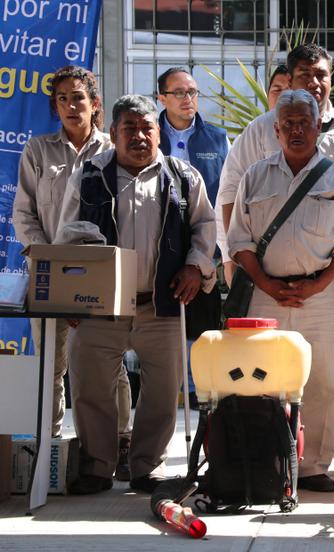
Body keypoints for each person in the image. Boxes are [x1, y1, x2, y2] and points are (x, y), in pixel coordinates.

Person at [218, 43, 334, 477]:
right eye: (305, 74)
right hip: (266, 282)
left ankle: (328, 458)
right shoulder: (257, 137)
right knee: (265, 374)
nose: (314, 81)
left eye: (322, 74)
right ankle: (268, 458)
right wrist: (244, 272)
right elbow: (231, 204)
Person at [57, 95, 217, 495]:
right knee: (91, 389)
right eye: (130, 128)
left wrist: (196, 266)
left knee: (162, 392)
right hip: (100, 306)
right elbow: (67, 235)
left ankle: (147, 466)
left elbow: (205, 228)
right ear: (113, 134)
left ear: (158, 132)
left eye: (147, 128)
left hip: (161, 303)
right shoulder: (88, 176)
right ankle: (97, 465)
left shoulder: (182, 176)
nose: (140, 136)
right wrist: (68, 296)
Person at [13, 66, 133, 475]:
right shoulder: (38, 150)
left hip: (100, 277)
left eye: (78, 97)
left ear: (95, 104)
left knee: (107, 364)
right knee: (51, 365)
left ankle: (119, 443)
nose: (70, 105)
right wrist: (51, 271)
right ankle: (48, 450)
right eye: (62, 98)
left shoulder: (112, 151)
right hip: (49, 276)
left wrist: (102, 280)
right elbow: (23, 216)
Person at [156, 66, 229, 404]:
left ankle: (200, 392)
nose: (189, 99)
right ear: (162, 98)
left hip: (204, 244)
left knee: (203, 320)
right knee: (161, 321)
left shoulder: (216, 137)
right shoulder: (148, 132)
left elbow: (226, 192)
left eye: (193, 92)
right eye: (180, 93)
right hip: (157, 242)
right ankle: (164, 390)